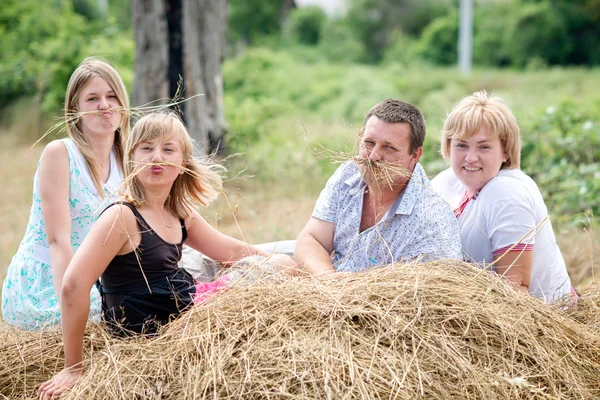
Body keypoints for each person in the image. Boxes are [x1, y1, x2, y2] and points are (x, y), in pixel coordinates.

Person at [38, 112, 294, 398]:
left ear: (183, 164)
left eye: (167, 149)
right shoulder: (122, 216)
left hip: (185, 305)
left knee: (282, 262)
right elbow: (73, 284)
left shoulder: (178, 213)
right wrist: (73, 366)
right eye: (146, 148)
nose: (157, 156)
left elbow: (232, 251)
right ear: (131, 160)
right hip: (157, 328)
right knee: (279, 265)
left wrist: (271, 261)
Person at [2, 58, 130, 329]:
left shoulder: (127, 159)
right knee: (116, 313)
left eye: (111, 96)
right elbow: (58, 242)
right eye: (92, 98)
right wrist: (74, 301)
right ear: (75, 109)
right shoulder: (60, 154)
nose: (104, 106)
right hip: (49, 281)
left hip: (97, 275)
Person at [431, 91, 573, 303]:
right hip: (474, 304)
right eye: (461, 144)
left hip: (536, 318)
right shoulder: (446, 182)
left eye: (484, 146)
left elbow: (516, 291)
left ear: (505, 151)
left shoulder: (507, 194)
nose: (470, 158)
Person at [295, 99, 462, 275]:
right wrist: (330, 282)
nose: (374, 156)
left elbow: (418, 296)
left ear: (415, 155)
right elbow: (311, 239)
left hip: (380, 299)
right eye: (369, 143)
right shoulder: (348, 175)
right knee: (277, 263)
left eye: (388, 148)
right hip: (331, 288)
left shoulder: (430, 221)